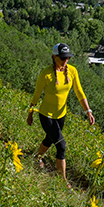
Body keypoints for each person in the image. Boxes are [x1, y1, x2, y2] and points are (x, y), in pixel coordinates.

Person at [27, 43, 95, 187]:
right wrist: (30, 113)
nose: (65, 61)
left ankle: (37, 157)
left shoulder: (72, 71)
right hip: (46, 115)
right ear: (54, 56)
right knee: (61, 145)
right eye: (62, 58)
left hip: (61, 115)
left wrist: (88, 111)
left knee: (51, 139)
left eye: (68, 58)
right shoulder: (46, 74)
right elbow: (37, 94)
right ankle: (62, 181)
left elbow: (79, 92)